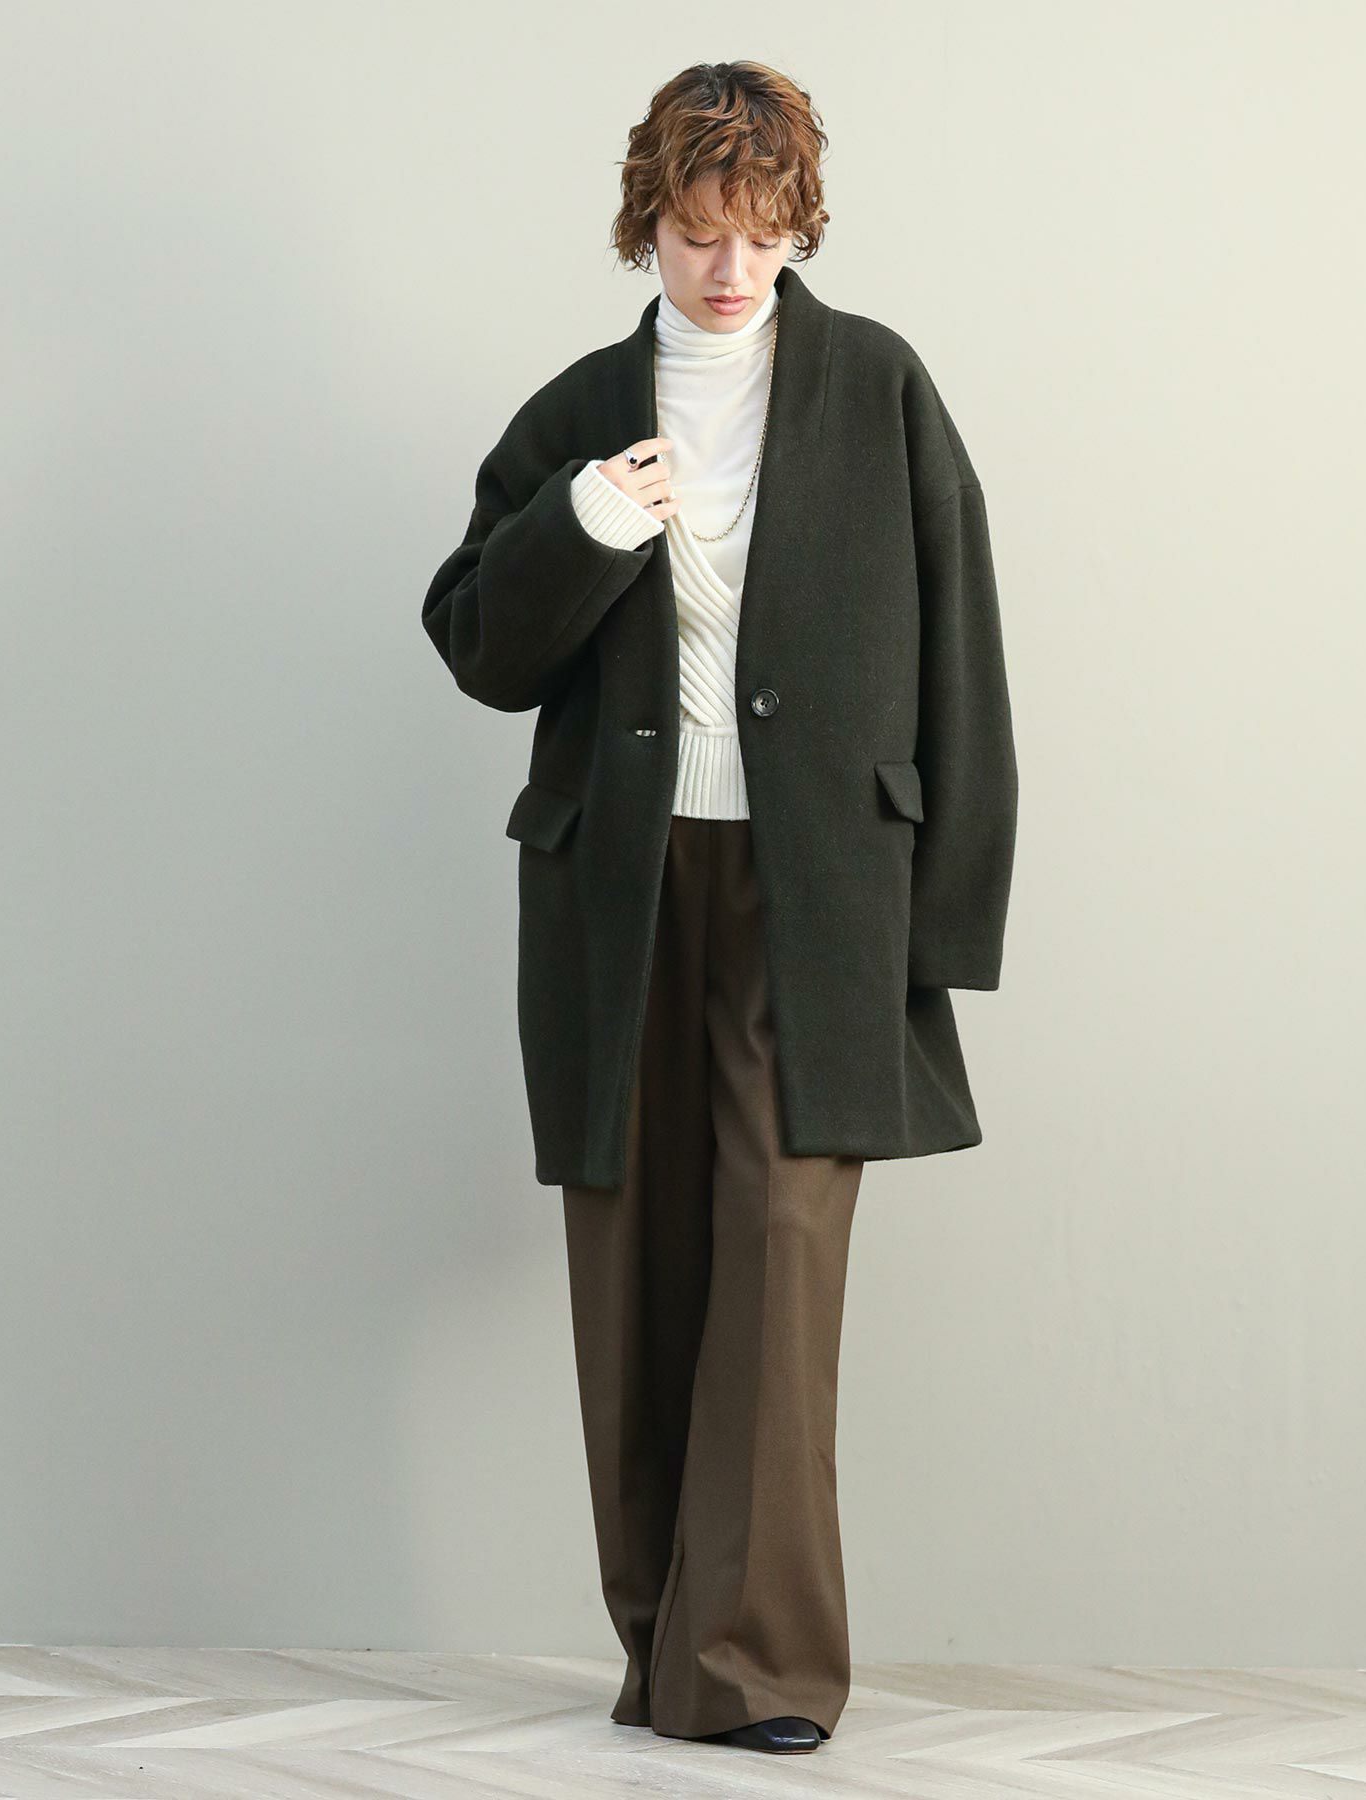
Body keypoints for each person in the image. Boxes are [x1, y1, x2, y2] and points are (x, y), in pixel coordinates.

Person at [422, 60, 1017, 1756]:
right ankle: (663, 1653)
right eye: (698, 233)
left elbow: (963, 654)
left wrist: (946, 930)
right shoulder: (574, 413)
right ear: (650, 228)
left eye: (761, 232)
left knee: (775, 1261)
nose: (731, 269)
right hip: (618, 895)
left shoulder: (880, 391)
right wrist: (587, 522)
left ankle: (750, 1669)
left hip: (817, 898)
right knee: (632, 1270)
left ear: (798, 223)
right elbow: (478, 646)